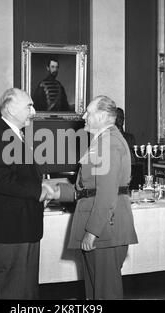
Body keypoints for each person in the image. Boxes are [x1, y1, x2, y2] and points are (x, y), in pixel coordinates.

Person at [47, 95, 138, 299]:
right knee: (96, 291)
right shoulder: (101, 142)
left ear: (104, 116)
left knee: (105, 292)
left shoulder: (108, 143)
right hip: (104, 228)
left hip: (105, 228)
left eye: (89, 112)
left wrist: (92, 231)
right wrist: (55, 192)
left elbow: (106, 194)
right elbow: (87, 189)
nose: (84, 116)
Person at [0, 88, 53, 299]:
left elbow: (17, 176)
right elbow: (2, 181)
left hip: (21, 227)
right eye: (29, 106)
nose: (34, 111)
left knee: (25, 291)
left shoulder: (12, 134)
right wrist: (38, 191)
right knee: (12, 291)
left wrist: (41, 187)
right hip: (10, 230)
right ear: (10, 108)